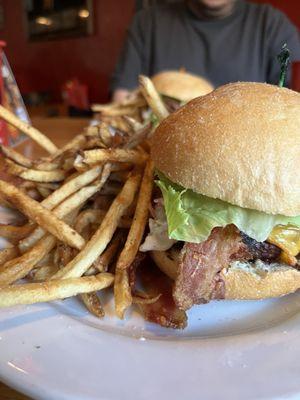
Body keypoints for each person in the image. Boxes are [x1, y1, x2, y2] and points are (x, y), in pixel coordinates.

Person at [111, 0, 300, 102]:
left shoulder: (272, 24)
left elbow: (288, 105)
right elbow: (122, 99)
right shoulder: (147, 23)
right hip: (157, 149)